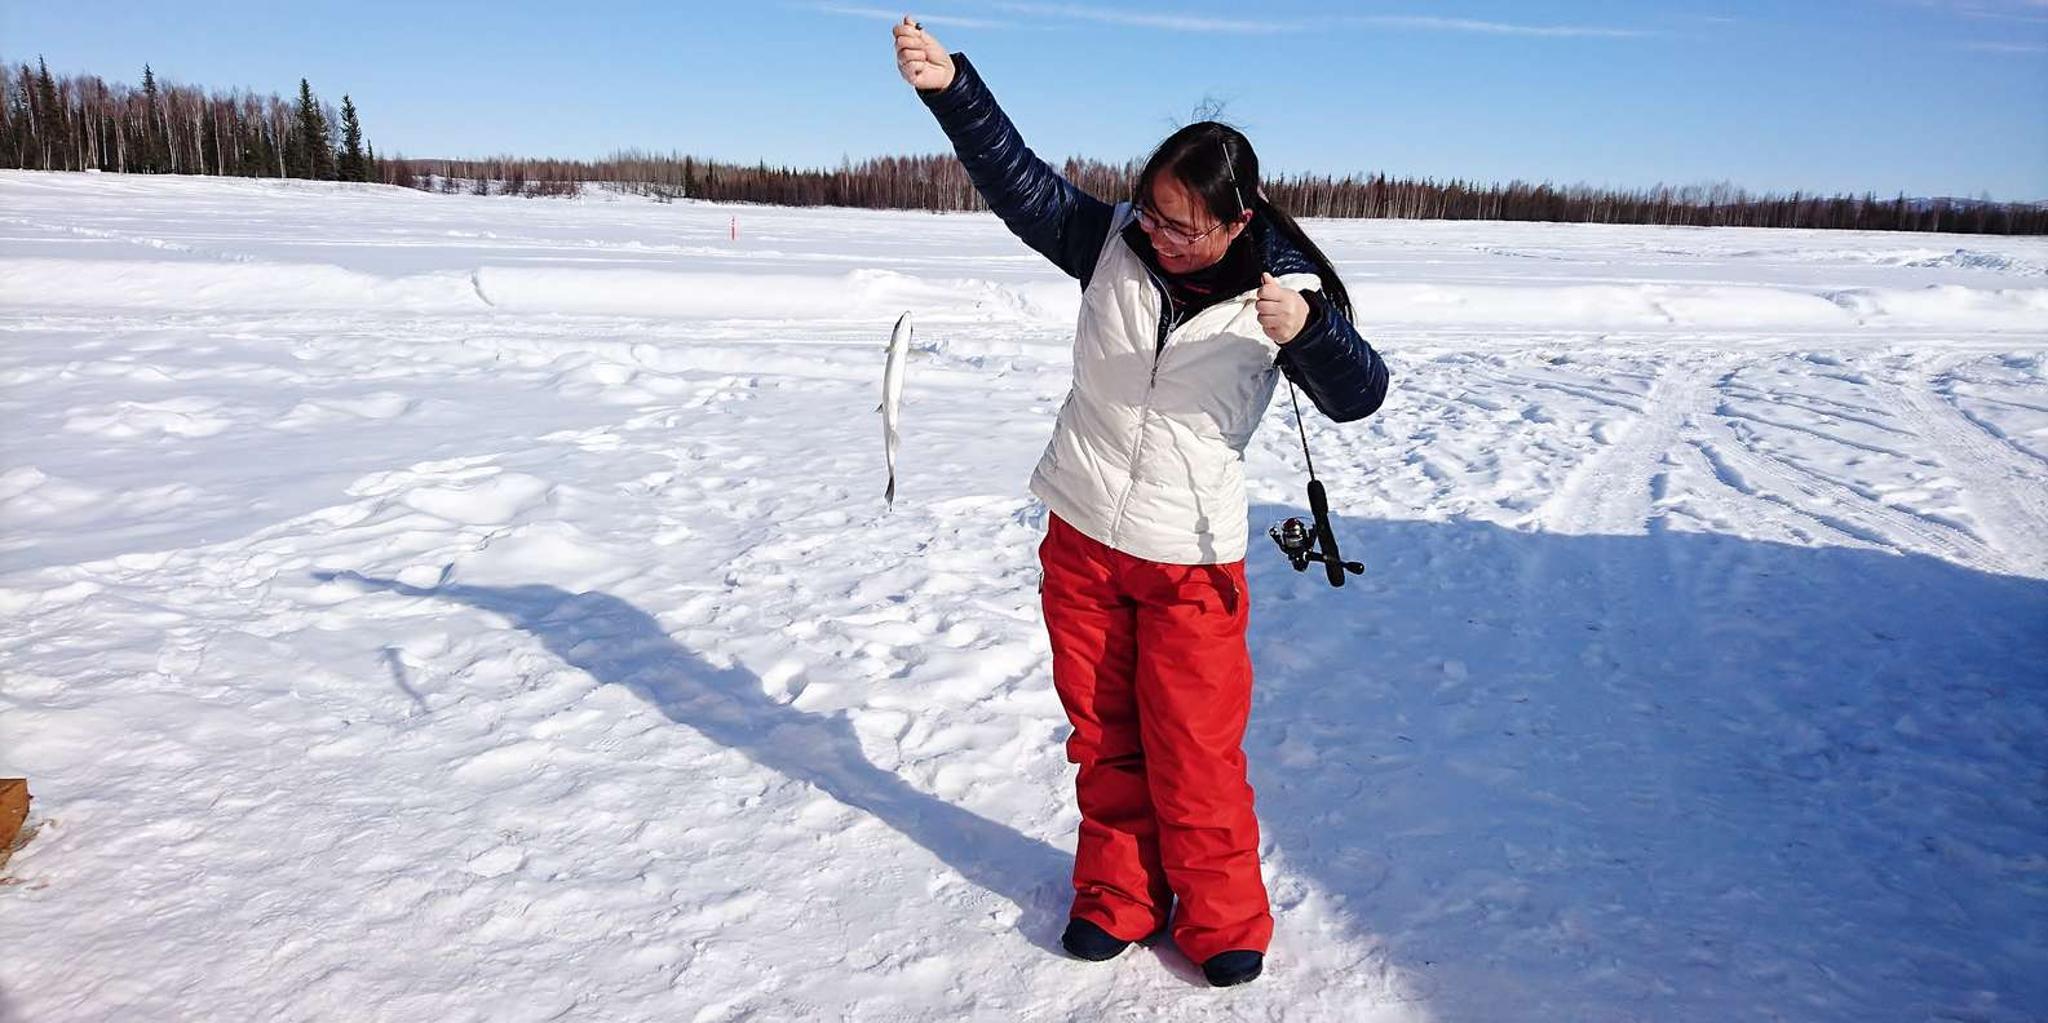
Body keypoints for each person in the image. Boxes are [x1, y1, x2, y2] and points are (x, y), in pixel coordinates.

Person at [892, 17, 1389, 988]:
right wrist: (952, 87)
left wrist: (1313, 331)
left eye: (1178, 224)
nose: (1152, 233)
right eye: (1148, 210)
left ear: (1235, 224)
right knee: (1103, 733)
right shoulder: (1112, 239)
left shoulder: (1281, 291)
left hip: (1188, 559)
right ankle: (1117, 894)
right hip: (1078, 535)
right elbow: (1015, 177)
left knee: (1194, 749)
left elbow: (1358, 393)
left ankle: (1219, 913)